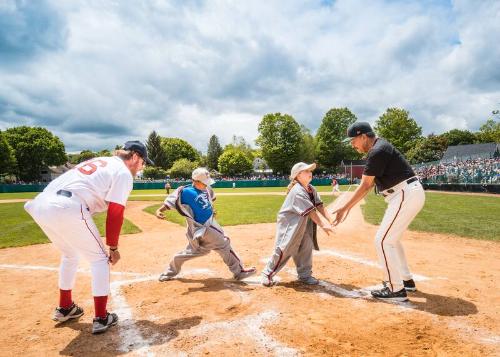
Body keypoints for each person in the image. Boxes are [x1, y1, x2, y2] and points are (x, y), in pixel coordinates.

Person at [24, 141, 153, 334]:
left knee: (70, 255)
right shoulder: (123, 172)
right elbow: (115, 212)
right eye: (143, 161)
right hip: (67, 205)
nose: (142, 166)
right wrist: (113, 247)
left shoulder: (102, 160)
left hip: (40, 204)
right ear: (134, 156)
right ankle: (101, 317)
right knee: (100, 259)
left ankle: (65, 307)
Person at [332, 122, 425, 302]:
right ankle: (406, 281)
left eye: (353, 140)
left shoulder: (377, 151)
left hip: (404, 194)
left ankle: (395, 289)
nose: (352, 145)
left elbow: (366, 185)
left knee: (382, 241)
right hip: (406, 193)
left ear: (364, 136)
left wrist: (345, 208)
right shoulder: (380, 147)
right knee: (392, 239)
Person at [155, 168, 256, 282]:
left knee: (197, 251)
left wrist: (211, 209)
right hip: (202, 226)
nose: (207, 185)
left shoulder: (206, 188)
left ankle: (169, 272)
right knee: (224, 242)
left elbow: (211, 199)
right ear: (195, 181)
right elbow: (170, 202)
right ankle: (239, 272)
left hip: (210, 223)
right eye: (204, 183)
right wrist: (160, 210)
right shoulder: (185, 191)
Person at [261, 162, 334, 287]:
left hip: (303, 221)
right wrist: (323, 225)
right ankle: (267, 273)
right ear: (297, 175)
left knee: (306, 246)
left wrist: (330, 220)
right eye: (306, 171)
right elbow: (311, 211)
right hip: (290, 222)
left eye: (310, 171)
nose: (310, 173)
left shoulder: (311, 188)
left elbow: (319, 205)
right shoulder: (297, 191)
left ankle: (304, 275)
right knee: (285, 248)